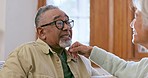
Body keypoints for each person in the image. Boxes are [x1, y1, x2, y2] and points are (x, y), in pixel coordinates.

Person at [0, 5, 103, 78]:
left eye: (67, 22)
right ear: (41, 32)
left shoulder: (81, 59)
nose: (67, 27)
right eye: (59, 23)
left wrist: (91, 52)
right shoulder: (24, 54)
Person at [68, 0, 148, 78]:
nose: (131, 24)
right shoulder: (145, 66)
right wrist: (90, 51)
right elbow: (122, 68)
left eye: (136, 16)